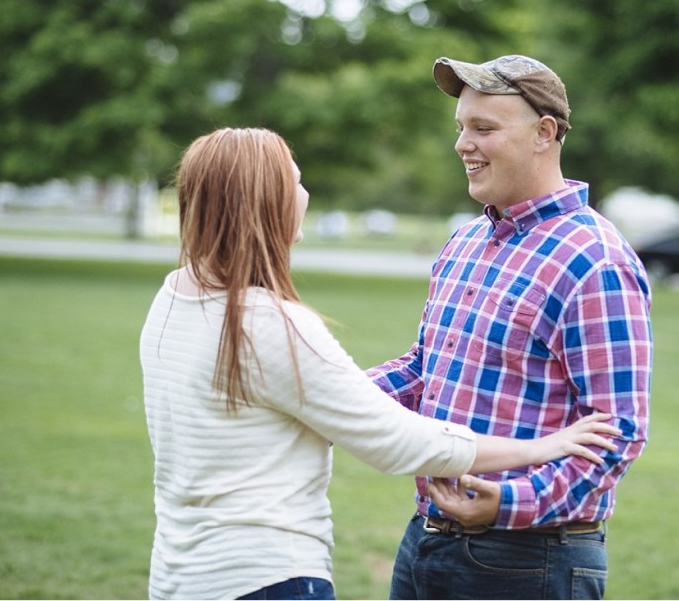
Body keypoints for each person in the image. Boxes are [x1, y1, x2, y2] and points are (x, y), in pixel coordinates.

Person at [139, 127, 622, 600]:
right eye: (297, 181)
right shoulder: (269, 323)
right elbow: (395, 440)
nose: (304, 195)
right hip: (264, 578)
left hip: (180, 575)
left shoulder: (174, 298)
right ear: (267, 199)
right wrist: (540, 448)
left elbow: (343, 396)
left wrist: (340, 400)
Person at [367, 56, 653, 600]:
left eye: (484, 128)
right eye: (461, 128)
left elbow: (618, 431)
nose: (463, 145)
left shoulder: (595, 259)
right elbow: (424, 369)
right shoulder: (465, 241)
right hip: (426, 539)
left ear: (544, 132)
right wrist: (325, 393)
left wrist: (511, 503)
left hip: (528, 560)